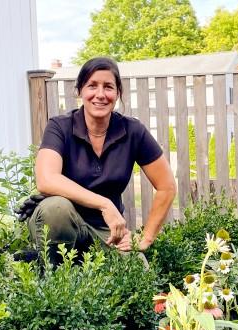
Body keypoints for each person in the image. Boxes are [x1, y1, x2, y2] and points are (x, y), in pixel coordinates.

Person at [25, 57, 176, 264]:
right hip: (62, 222)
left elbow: (167, 187)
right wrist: (105, 204)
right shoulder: (60, 127)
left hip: (106, 230)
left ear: (118, 93)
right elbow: (46, 179)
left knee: (137, 269)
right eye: (92, 86)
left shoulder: (133, 131)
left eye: (108, 87)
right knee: (56, 208)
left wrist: (146, 237)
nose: (100, 95)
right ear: (80, 91)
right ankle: (52, 280)